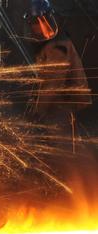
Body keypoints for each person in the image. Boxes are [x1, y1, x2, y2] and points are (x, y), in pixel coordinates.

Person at [26, 0, 92, 143]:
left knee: (60, 145)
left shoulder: (57, 46)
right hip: (59, 102)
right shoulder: (51, 42)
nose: (33, 27)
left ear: (44, 20)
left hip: (63, 103)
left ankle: (73, 164)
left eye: (35, 23)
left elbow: (52, 84)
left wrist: (38, 111)